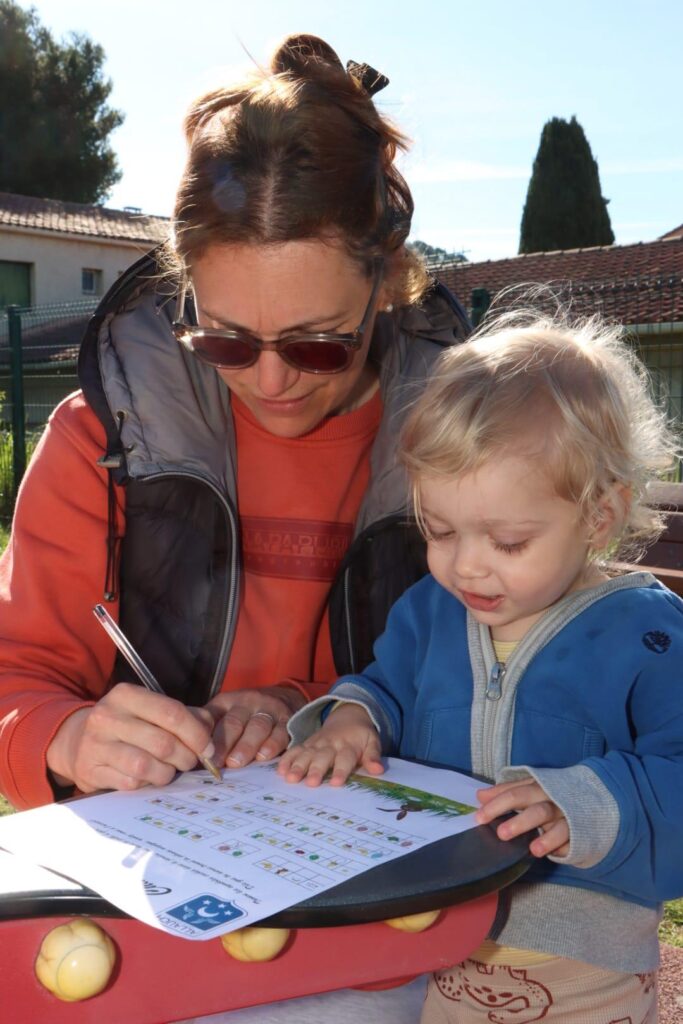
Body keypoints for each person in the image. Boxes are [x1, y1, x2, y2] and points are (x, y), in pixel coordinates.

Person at [0, 32, 467, 1022]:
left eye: (319, 345)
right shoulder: (103, 440)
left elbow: (511, 675)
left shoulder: (465, 448)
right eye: (224, 340)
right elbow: (13, 675)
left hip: (384, 921)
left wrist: (307, 705)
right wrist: (67, 734)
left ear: (386, 285)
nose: (272, 381)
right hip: (143, 924)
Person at [280, 308, 683, 1022]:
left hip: (581, 972)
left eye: (507, 541)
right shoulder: (429, 613)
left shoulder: (648, 638)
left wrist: (586, 804)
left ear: (599, 515)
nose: (466, 566)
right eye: (439, 531)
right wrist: (352, 717)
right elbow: (387, 688)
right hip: (437, 946)